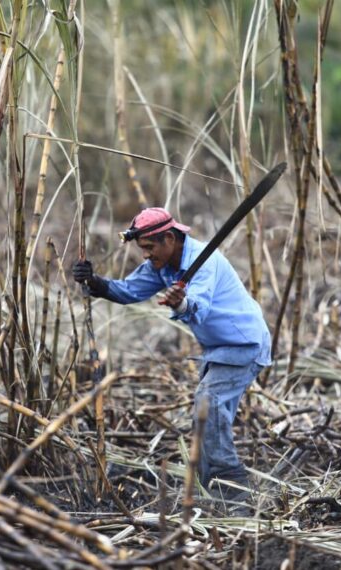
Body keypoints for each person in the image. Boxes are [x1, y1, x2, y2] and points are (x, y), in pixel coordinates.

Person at [72, 207, 271, 502]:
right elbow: (128, 291)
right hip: (217, 349)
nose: (146, 255)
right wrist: (94, 282)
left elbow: (198, 307)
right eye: (143, 249)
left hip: (246, 345)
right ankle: (208, 489)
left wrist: (180, 304)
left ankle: (232, 485)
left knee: (209, 404)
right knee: (204, 413)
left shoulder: (205, 262)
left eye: (150, 248)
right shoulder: (162, 265)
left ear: (169, 238)